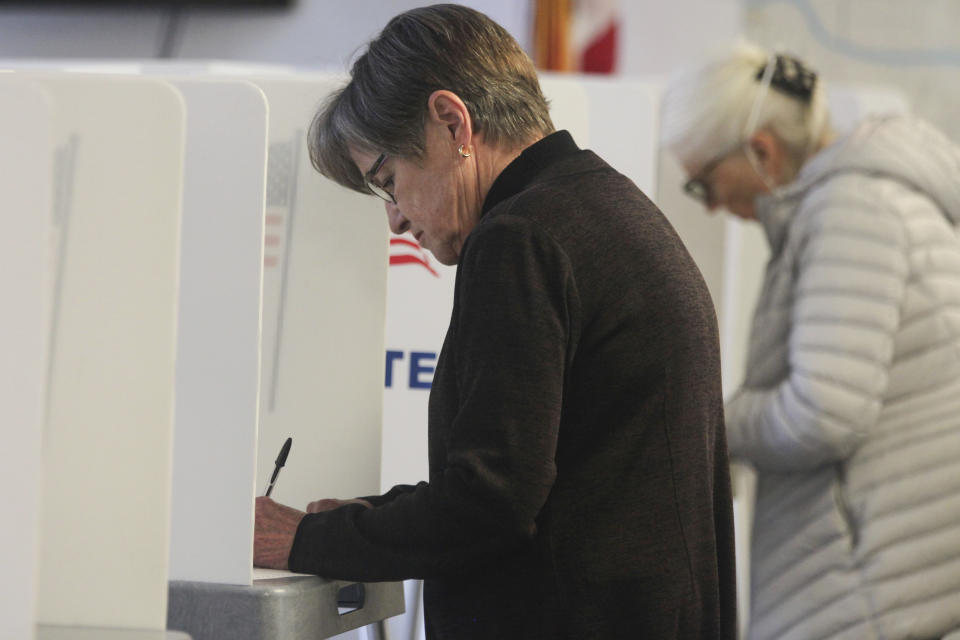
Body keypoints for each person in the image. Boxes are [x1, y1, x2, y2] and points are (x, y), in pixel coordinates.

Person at [254, 5, 737, 638]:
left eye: (388, 179)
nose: (395, 219)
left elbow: (491, 506)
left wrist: (305, 540)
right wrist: (375, 516)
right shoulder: (606, 206)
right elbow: (554, 476)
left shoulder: (519, 238)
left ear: (452, 121)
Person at [661, 41, 960, 640]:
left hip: (865, 590)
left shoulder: (852, 210)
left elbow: (823, 413)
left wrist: (712, 424)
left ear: (761, 149)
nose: (714, 206)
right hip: (890, 574)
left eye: (706, 184)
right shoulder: (867, 201)